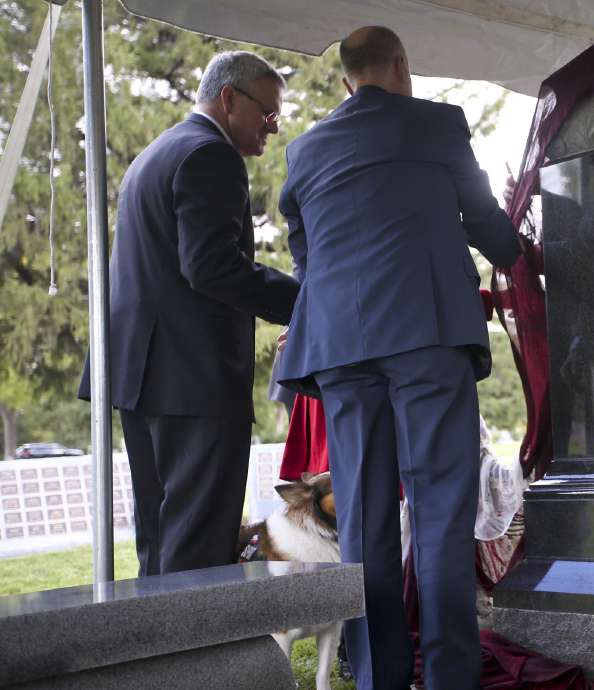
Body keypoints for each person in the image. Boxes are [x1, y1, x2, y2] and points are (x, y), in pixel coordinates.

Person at [275, 26, 521, 690]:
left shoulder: (304, 151)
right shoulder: (438, 124)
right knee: (440, 514)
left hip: (342, 352)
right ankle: (448, 679)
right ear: (402, 66)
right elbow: (483, 219)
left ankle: (378, 678)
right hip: (426, 339)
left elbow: (307, 259)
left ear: (345, 80)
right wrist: (521, 254)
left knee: (362, 521)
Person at [77, 51, 300, 577]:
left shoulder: (156, 153)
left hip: (142, 376)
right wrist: (306, 302)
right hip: (192, 379)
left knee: (160, 538)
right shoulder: (210, 155)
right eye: (268, 112)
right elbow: (211, 267)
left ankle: (156, 633)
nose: (273, 127)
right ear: (229, 98)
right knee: (197, 542)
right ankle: (192, 635)